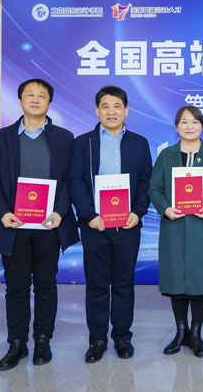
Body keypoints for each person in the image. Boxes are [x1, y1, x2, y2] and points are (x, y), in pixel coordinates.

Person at [0, 78, 79, 371]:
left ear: (49, 102)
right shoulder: (2, 138)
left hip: (49, 226)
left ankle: (42, 341)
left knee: (46, 285)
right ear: (20, 100)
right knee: (16, 287)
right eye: (30, 95)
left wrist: (60, 211)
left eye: (42, 95)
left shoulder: (64, 138)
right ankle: (16, 344)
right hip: (13, 226)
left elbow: (70, 180)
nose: (36, 100)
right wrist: (2, 213)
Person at [68, 86, 152, 362]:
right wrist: (89, 215)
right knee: (96, 284)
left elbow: (146, 181)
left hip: (128, 225)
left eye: (117, 106)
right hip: (95, 225)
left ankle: (122, 337)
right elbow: (75, 180)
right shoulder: (84, 143)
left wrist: (138, 212)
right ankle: (97, 339)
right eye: (105, 106)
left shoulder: (139, 143)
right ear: (97, 111)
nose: (111, 111)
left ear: (126, 111)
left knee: (124, 284)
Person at [148, 105, 203, 358]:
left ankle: (196, 334)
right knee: (176, 281)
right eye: (184, 122)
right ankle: (181, 332)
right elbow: (154, 188)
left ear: (202, 126)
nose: (190, 127)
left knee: (201, 280)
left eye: (195, 122)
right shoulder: (166, 155)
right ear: (176, 127)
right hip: (175, 226)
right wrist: (165, 208)